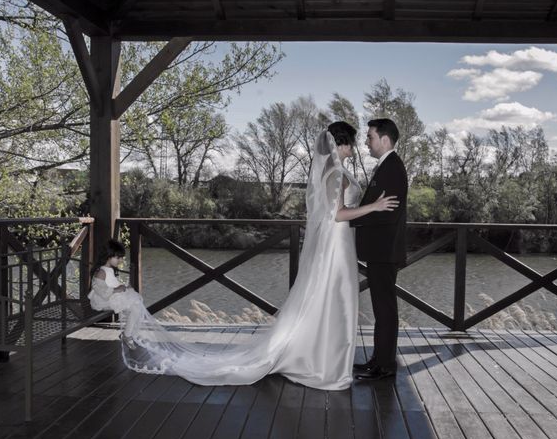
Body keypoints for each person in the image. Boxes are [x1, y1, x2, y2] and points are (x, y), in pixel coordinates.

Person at [107, 121, 398, 390]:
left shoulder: (332, 171)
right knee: (337, 301)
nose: (357, 147)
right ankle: (326, 365)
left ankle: (322, 359)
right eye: (354, 142)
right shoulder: (336, 174)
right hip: (337, 245)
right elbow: (337, 215)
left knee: (331, 302)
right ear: (342, 144)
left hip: (338, 245)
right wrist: (374, 207)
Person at [350, 118, 408, 381]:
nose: (366, 141)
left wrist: (351, 218)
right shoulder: (386, 167)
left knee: (385, 310)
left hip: (384, 252)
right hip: (380, 251)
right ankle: (378, 360)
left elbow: (387, 213)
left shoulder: (393, 168)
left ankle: (385, 366)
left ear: (385, 139)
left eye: (370, 136)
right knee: (381, 309)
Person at [87, 239, 146, 350]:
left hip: (111, 296)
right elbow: (101, 291)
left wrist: (123, 287)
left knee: (136, 304)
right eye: (118, 257)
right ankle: (127, 335)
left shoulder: (109, 269)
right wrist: (117, 289)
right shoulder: (101, 272)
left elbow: (112, 283)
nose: (120, 260)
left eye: (121, 257)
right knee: (135, 306)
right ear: (108, 256)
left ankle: (128, 333)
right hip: (102, 300)